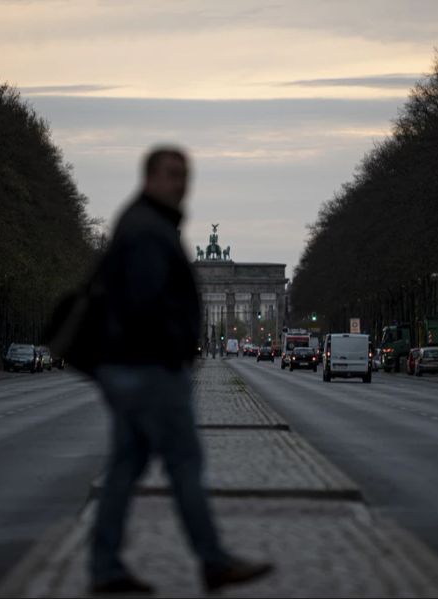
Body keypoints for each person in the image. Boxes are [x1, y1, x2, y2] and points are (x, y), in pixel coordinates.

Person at [89, 146, 273, 595]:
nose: (181, 183)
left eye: (185, 175)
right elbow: (149, 302)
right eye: (172, 175)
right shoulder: (148, 229)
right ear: (150, 177)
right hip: (151, 369)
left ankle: (105, 565)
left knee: (125, 468)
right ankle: (212, 560)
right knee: (184, 464)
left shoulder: (143, 222)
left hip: (137, 366)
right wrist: (177, 349)